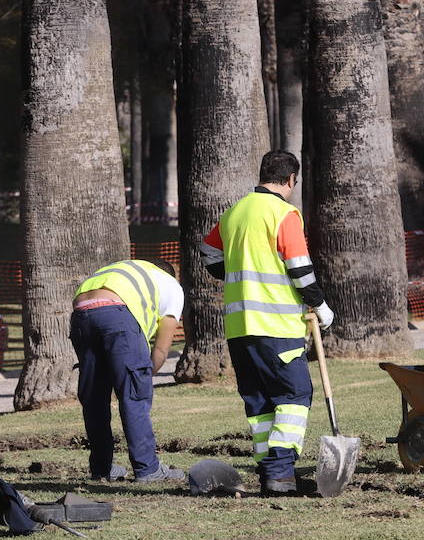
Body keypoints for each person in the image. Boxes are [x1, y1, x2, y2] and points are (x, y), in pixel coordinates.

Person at [201, 150, 334, 495]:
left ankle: (270, 474)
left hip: (239, 329)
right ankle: (279, 474)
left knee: (259, 404)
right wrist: (319, 305)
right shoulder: (284, 213)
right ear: (291, 180)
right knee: (294, 395)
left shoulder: (234, 213)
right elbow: (300, 269)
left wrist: (239, 274)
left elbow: (208, 255)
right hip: (276, 326)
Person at [70, 258, 186, 482]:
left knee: (95, 398)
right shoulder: (171, 285)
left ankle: (102, 469)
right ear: (171, 275)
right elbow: (161, 348)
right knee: (134, 396)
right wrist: (143, 375)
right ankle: (148, 469)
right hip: (116, 314)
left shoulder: (123, 271)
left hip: (80, 314)